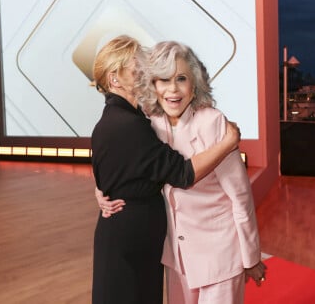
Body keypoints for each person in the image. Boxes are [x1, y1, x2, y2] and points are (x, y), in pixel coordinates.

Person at [98, 40, 267, 304]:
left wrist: (251, 257)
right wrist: (100, 190)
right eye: (163, 80)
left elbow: (240, 197)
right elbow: (123, 158)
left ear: (194, 84)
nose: (172, 89)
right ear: (152, 84)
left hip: (220, 256)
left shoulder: (213, 122)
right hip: (178, 261)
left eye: (181, 78)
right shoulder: (150, 124)